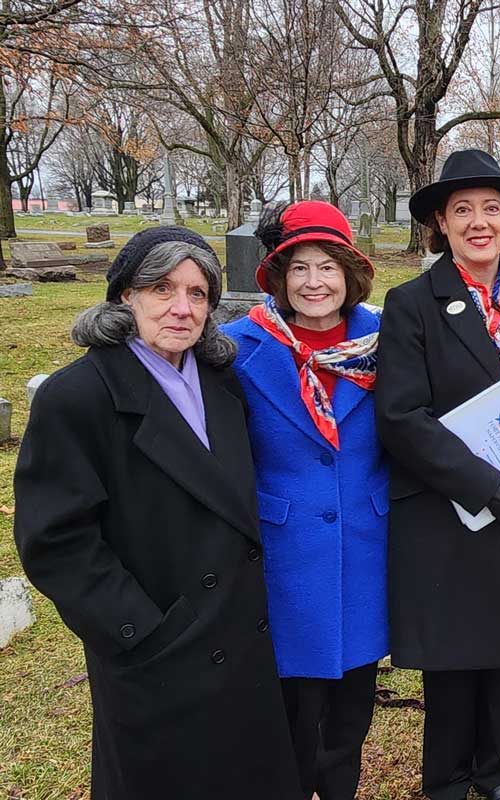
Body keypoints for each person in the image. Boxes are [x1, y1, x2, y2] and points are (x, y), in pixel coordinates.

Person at [12, 227, 301, 800]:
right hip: (159, 648)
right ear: (125, 296)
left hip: (238, 635)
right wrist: (141, 632)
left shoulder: (221, 380)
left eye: (198, 293)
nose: (181, 307)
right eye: (162, 288)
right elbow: (55, 541)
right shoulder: (78, 396)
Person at [375, 149, 500, 800]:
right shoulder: (412, 305)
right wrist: (482, 483)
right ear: (441, 221)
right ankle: (446, 781)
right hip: (450, 512)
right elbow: (402, 416)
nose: (478, 221)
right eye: (462, 209)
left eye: (492, 208)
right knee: (456, 660)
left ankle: (494, 775)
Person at [222, 200, 388, 800]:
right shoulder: (235, 348)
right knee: (292, 715)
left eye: (327, 267)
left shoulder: (386, 341)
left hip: (364, 553)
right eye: (299, 268)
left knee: (349, 716)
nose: (314, 282)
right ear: (278, 277)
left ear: (350, 275)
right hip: (283, 556)